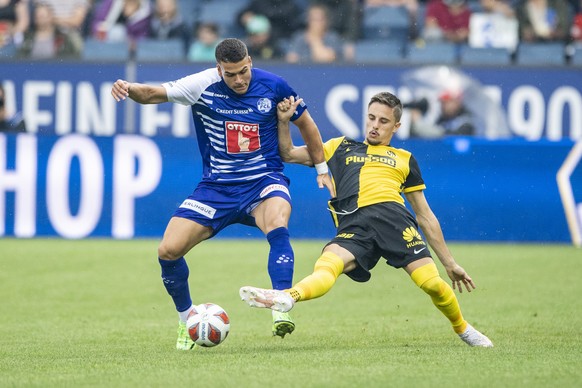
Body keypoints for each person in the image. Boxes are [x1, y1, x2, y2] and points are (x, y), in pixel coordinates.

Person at [110, 38, 333, 350]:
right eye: (231, 74)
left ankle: (280, 304)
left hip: (263, 181)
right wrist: (128, 87)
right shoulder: (201, 85)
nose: (239, 80)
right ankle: (186, 318)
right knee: (167, 250)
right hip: (216, 189)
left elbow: (307, 124)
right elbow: (150, 94)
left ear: (250, 62)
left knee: (278, 221)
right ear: (219, 70)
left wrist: (321, 167)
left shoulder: (275, 86)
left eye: (243, 71)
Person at [240, 92, 494, 348]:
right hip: (355, 224)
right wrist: (284, 122)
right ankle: (287, 297)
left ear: (396, 126)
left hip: (394, 221)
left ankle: (463, 329)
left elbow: (424, 214)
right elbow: (288, 154)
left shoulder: (404, 158)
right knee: (327, 265)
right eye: (371, 118)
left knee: (433, 285)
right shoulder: (338, 146)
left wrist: (449, 263)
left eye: (383, 121)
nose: (375, 125)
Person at [409, 89, 477, 138]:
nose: (443, 106)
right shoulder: (444, 118)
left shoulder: (467, 121)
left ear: (457, 102)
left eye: (446, 102)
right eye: (442, 103)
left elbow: (445, 136)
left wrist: (418, 124)